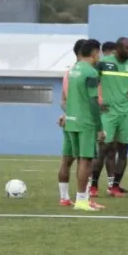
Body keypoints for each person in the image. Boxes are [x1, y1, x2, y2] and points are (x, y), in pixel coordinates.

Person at [63, 39, 105, 212]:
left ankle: (82, 198)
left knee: (80, 160)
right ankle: (81, 200)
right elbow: (93, 101)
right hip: (85, 121)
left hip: (71, 120)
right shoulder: (91, 73)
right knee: (86, 161)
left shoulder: (74, 70)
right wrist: (99, 127)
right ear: (95, 53)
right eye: (99, 53)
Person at [94, 36, 128, 198]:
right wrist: (97, 99)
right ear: (118, 49)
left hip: (126, 114)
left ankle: (115, 186)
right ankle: (93, 186)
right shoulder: (104, 63)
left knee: (123, 151)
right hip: (108, 113)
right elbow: (90, 81)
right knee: (103, 149)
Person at [56, 38, 85, 207]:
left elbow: (63, 101)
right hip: (81, 123)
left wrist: (67, 114)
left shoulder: (69, 72)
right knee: (85, 160)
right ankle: (84, 198)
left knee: (67, 160)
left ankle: (64, 197)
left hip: (68, 121)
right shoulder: (84, 73)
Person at [89, 40, 116, 196]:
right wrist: (99, 103)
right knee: (102, 149)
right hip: (102, 113)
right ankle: (93, 185)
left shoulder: (110, 72)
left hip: (113, 113)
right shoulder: (97, 70)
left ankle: (111, 185)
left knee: (112, 150)